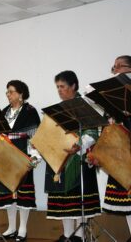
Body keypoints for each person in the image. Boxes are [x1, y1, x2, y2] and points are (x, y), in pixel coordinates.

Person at [46, 71, 101, 242]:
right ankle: (67, 235)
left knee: (78, 200)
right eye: (58, 87)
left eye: (62, 87)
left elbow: (93, 132)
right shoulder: (58, 108)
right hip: (59, 159)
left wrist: (79, 146)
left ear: (73, 86)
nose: (59, 90)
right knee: (63, 201)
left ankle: (79, 235)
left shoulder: (84, 106)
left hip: (78, 159)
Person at [0, 80, 41, 242]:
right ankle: (11, 227)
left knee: (22, 195)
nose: (8, 94)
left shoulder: (30, 111)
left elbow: (35, 137)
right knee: (9, 195)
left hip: (22, 157)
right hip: (5, 158)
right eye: (7, 92)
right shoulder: (3, 111)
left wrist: (34, 157)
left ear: (21, 94)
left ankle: (22, 229)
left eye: (12, 91)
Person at [102, 55, 131, 242]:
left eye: (121, 66)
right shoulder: (112, 93)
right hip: (121, 148)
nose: (117, 69)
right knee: (128, 199)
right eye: (115, 66)